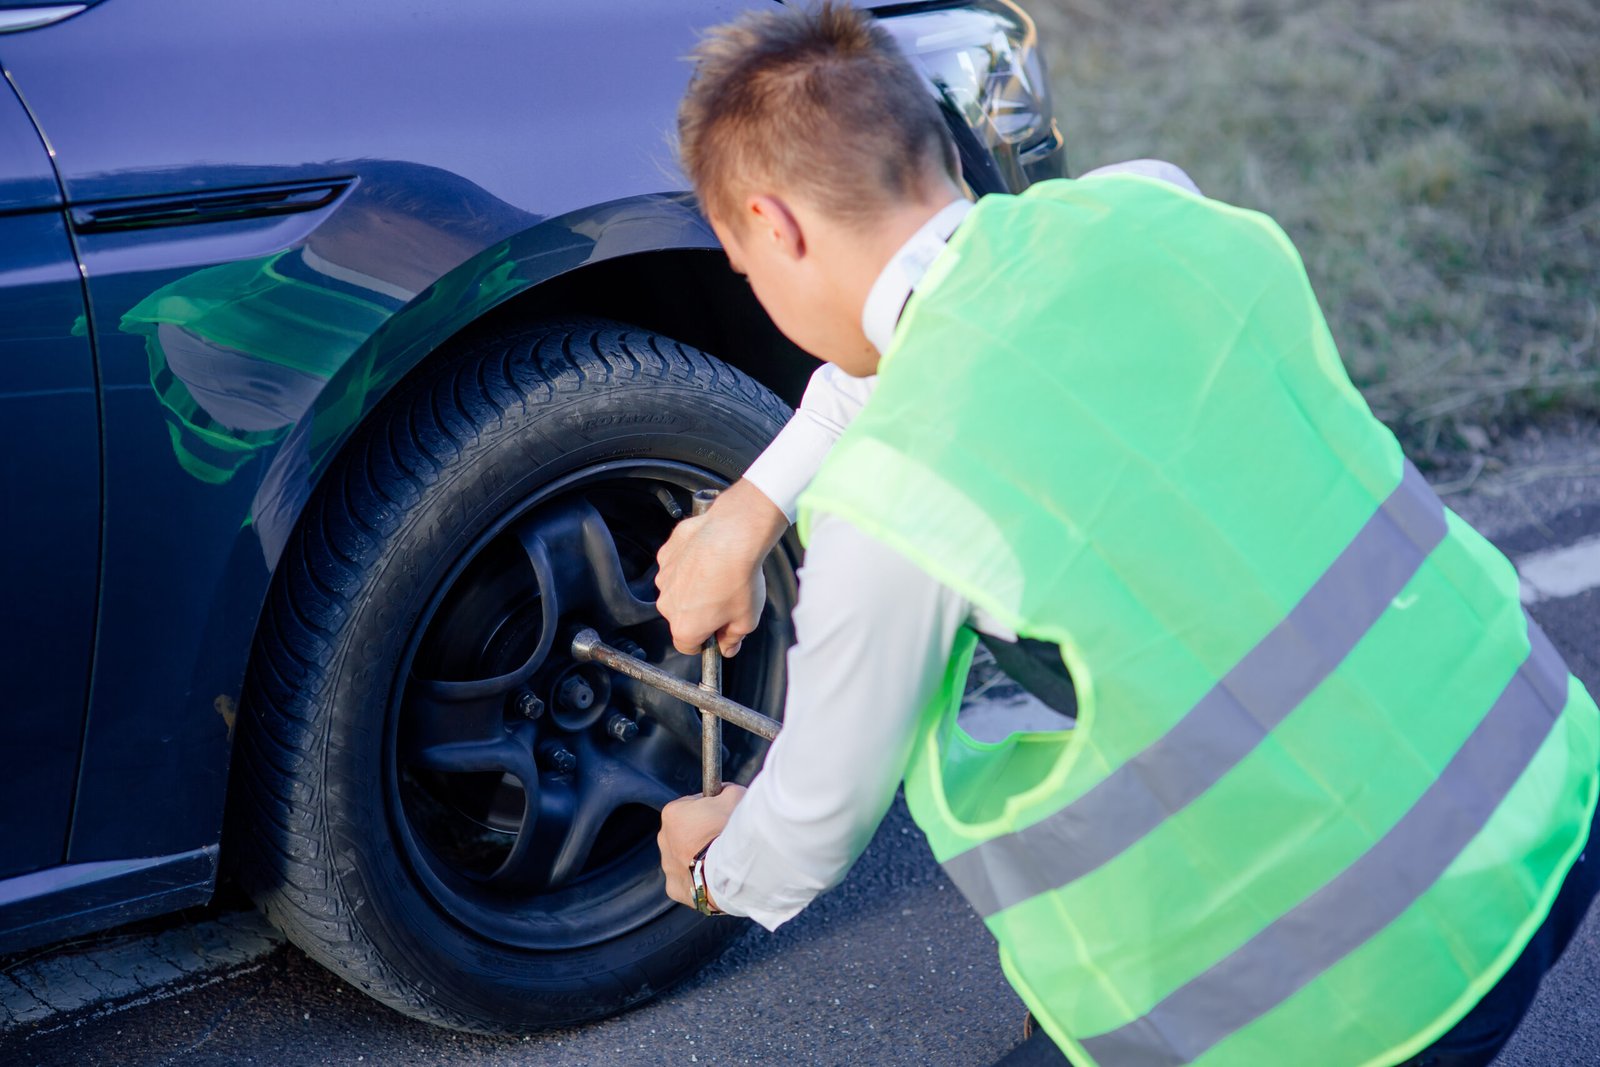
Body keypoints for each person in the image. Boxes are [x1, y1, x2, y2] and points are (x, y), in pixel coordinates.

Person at [652, 4, 1600, 1065]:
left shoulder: (892, 503)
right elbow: (932, 336)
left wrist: (715, 862)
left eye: (745, 266)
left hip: (1367, 982)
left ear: (774, 227)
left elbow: (812, 825)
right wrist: (748, 507)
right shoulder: (1152, 206)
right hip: (1544, 787)